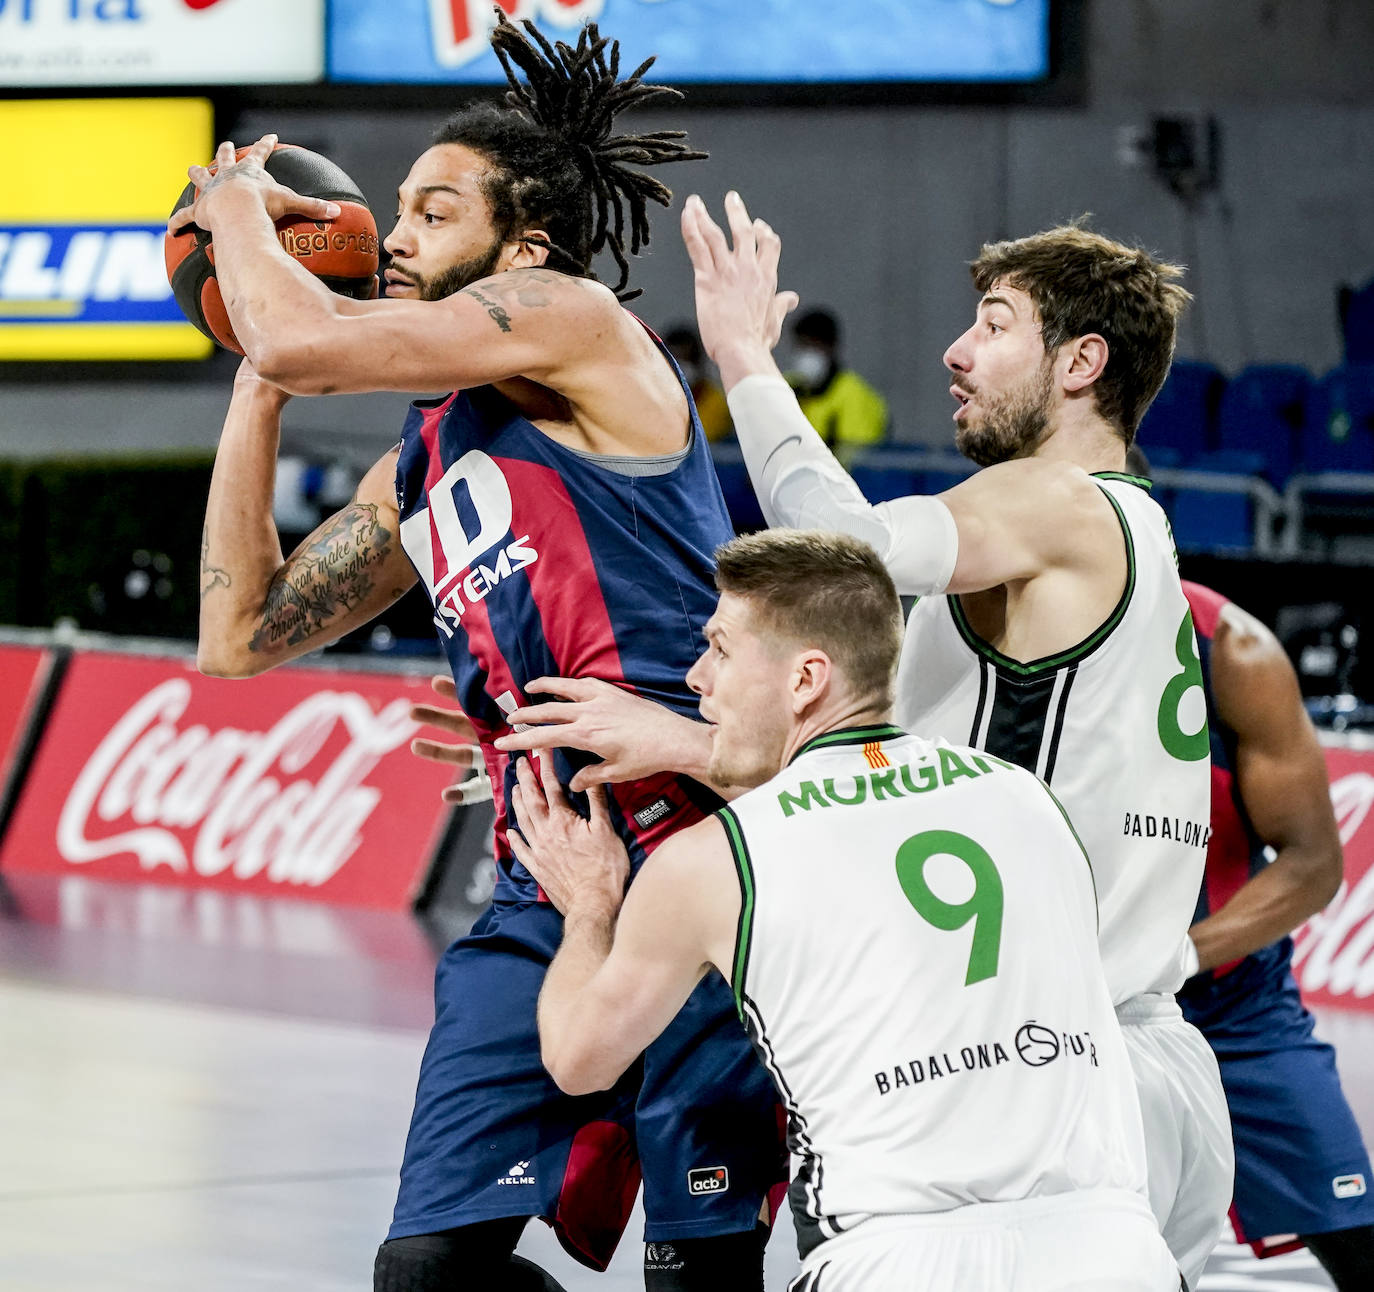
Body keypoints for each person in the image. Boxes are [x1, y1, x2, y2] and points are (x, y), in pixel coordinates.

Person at [453, 198, 1234, 1288]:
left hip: (1049, 1082)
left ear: (1081, 362)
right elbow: (883, 775)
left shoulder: (1060, 501)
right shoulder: (1121, 539)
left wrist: (742, 360)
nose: (957, 351)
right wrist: (680, 736)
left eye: (995, 324)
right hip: (1131, 1072)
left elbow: (842, 551)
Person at [178, 18, 785, 1292]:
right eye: (393, 209)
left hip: (704, 852)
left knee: (700, 1276)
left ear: (524, 247)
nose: (393, 236)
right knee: (426, 1273)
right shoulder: (430, 454)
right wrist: (254, 381)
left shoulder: (576, 323)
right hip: (543, 879)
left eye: (431, 210)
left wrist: (233, 197)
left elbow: (305, 335)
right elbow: (239, 636)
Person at [508, 527, 1179, 1292]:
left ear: (805, 681)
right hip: (1113, 1248)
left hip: (899, 1258)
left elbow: (579, 1059)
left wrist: (590, 907)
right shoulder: (1025, 796)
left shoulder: (714, 859)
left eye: (722, 650)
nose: (698, 677)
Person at [1178, 576, 1374, 1289]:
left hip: (1230, 992)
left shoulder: (1232, 648)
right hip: (1070, 1003)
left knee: (1354, 1230)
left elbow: (1316, 863)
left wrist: (1177, 955)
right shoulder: (994, 635)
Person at [786, 308, 888, 463]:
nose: (808, 354)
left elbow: (855, 460)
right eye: (803, 345)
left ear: (832, 347)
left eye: (815, 345)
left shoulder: (854, 395)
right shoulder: (784, 387)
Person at [663, 324, 733, 442]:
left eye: (685, 361)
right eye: (675, 361)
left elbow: (696, 443)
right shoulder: (656, 399)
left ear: (698, 363)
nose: (681, 369)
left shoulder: (716, 403)